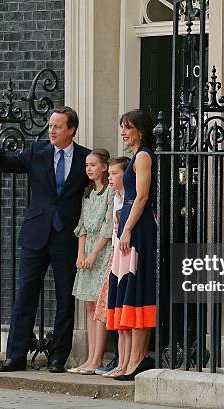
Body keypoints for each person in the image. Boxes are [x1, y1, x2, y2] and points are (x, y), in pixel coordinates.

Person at [0, 106, 91, 373]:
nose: (51, 130)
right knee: (25, 296)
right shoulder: (36, 151)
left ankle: (57, 358)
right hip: (35, 234)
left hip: (67, 236)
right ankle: (15, 356)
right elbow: (5, 164)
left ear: (71, 130)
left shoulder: (84, 158)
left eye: (57, 126)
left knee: (66, 299)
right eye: (50, 125)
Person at [107, 109, 158, 381]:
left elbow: (142, 197)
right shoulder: (138, 156)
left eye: (127, 127)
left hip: (138, 227)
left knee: (138, 288)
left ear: (140, 129)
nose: (124, 133)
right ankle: (128, 359)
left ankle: (139, 358)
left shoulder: (144, 156)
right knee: (127, 287)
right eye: (122, 127)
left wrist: (126, 229)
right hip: (129, 223)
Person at [66, 149, 114, 374]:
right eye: (86, 165)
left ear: (105, 167)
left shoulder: (110, 192)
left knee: (99, 308)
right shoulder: (87, 193)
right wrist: (80, 254)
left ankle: (97, 359)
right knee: (88, 305)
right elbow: (82, 225)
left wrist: (93, 254)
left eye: (93, 165)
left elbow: (107, 227)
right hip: (86, 253)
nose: (88, 169)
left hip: (102, 253)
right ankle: (88, 358)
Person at [95, 156, 130, 377]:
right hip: (115, 257)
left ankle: (126, 360)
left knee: (124, 311)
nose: (110, 179)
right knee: (114, 311)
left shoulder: (129, 198)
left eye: (114, 174)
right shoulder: (115, 197)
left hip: (126, 257)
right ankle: (120, 360)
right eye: (109, 175)